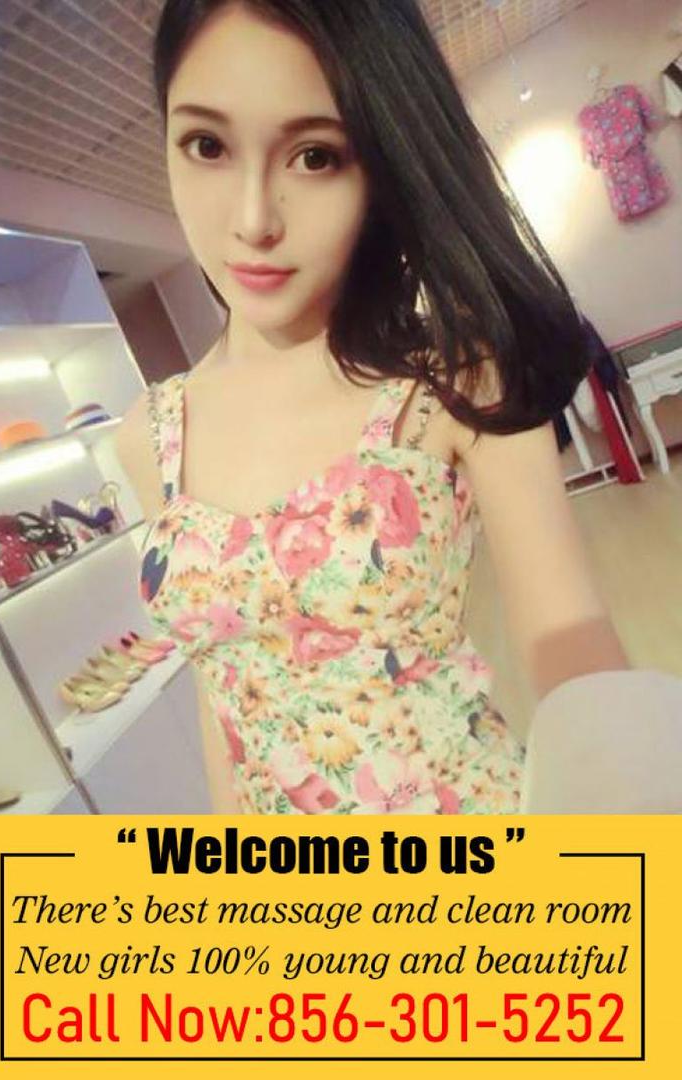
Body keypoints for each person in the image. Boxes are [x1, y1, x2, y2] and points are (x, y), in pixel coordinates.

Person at [115, 0, 629, 815]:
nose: (253, 220)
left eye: (315, 156)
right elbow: (223, 695)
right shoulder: (148, 438)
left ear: (380, 167)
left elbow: (570, 649)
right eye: (207, 145)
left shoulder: (451, 382)